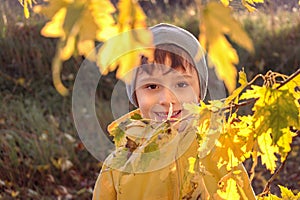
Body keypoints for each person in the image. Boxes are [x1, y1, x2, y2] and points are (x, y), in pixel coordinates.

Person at [92, 23, 256, 200]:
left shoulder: (220, 153)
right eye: (152, 86)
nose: (166, 100)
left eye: (181, 84)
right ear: (135, 95)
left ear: (200, 92)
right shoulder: (119, 165)